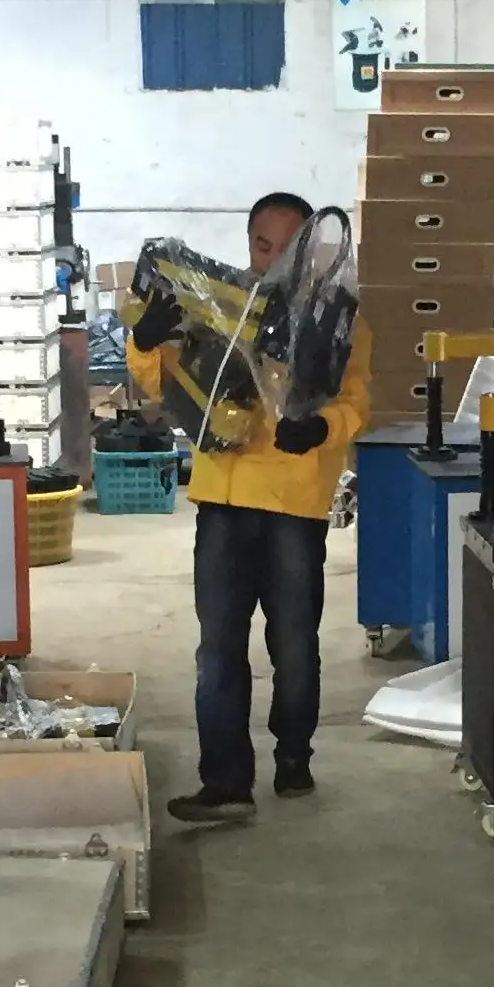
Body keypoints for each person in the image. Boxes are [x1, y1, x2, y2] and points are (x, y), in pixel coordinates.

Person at [124, 190, 372, 822]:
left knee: (293, 643)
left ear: (310, 251)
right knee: (218, 647)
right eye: (264, 246)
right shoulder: (218, 306)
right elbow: (164, 383)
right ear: (249, 244)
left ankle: (294, 759)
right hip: (224, 497)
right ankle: (226, 782)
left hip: (294, 501)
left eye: (288, 249)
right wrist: (145, 341)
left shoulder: (336, 318)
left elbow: (355, 402)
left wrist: (319, 429)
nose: (273, 259)